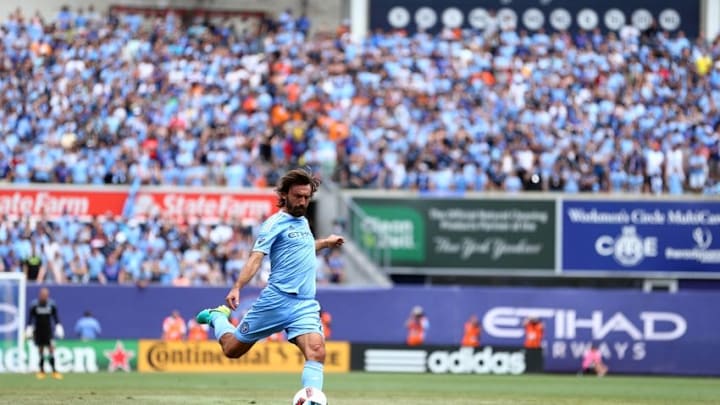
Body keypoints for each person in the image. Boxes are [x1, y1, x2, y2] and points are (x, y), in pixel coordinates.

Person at [195, 168, 344, 392]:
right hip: (276, 300)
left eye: (307, 197)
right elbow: (256, 257)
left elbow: (303, 249)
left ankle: (311, 400)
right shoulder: (274, 224)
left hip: (304, 304)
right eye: (298, 196)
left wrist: (325, 242)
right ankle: (217, 318)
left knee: (317, 350)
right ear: (284, 195)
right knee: (231, 350)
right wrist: (237, 287)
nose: (303, 202)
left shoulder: (302, 222)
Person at [26, 288, 64, 379]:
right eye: (43, 294)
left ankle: (54, 371)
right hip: (38, 330)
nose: (44, 296)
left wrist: (58, 326)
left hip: (48, 330)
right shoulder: (34, 305)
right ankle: (41, 371)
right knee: (41, 350)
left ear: (48, 295)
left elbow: (55, 317)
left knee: (51, 349)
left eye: (46, 294)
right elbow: (30, 319)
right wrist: (29, 328)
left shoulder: (51, 305)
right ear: (40, 294)